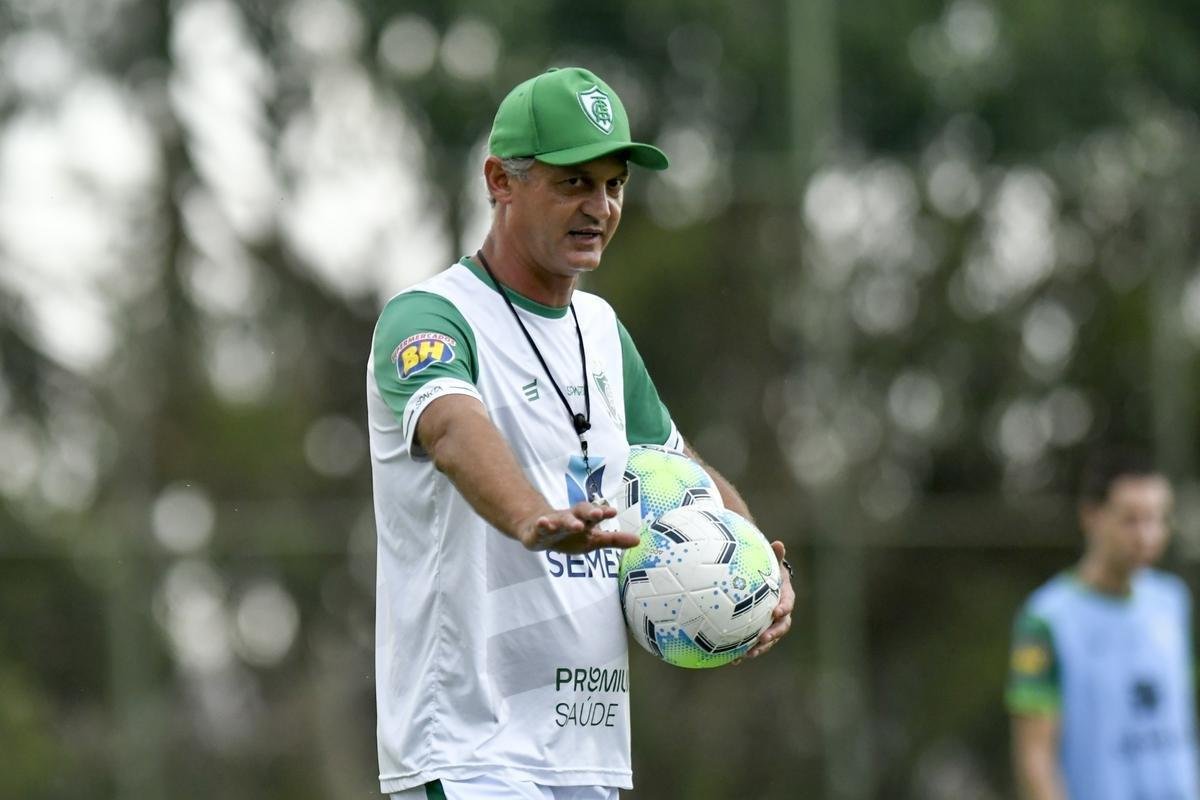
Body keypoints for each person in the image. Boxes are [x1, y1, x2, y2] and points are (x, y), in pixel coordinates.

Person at [365, 66, 795, 800]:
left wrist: (757, 568)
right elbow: (451, 429)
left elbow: (678, 470)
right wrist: (532, 515)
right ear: (500, 180)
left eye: (614, 185)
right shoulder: (430, 316)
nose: (599, 206)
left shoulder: (601, 331)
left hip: (583, 757)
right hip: (470, 751)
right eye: (573, 183)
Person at [1007, 446, 1199, 800]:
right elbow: (1035, 760)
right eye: (1131, 520)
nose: (1147, 536)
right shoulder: (1045, 620)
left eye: (1157, 519)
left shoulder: (1174, 602)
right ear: (1091, 516)